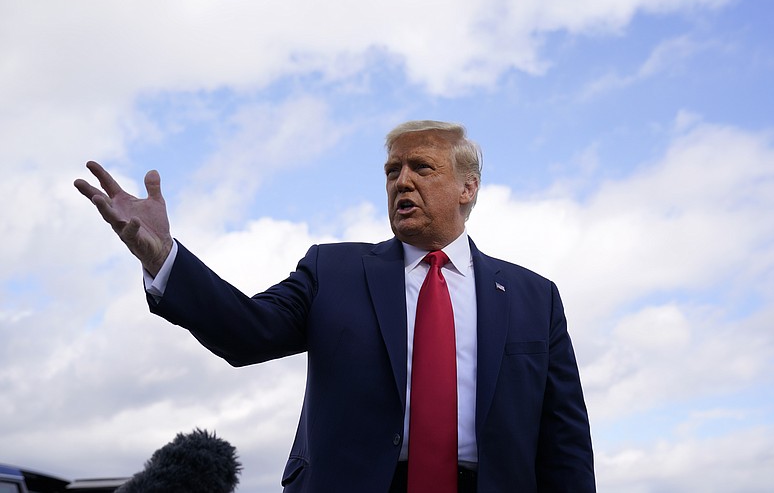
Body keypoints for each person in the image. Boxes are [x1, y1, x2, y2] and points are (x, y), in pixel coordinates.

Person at [75, 120, 595, 492]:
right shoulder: (333, 272)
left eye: (422, 168)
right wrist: (164, 256)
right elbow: (244, 332)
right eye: (392, 171)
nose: (402, 182)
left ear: (468, 187)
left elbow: (564, 440)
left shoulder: (534, 297)